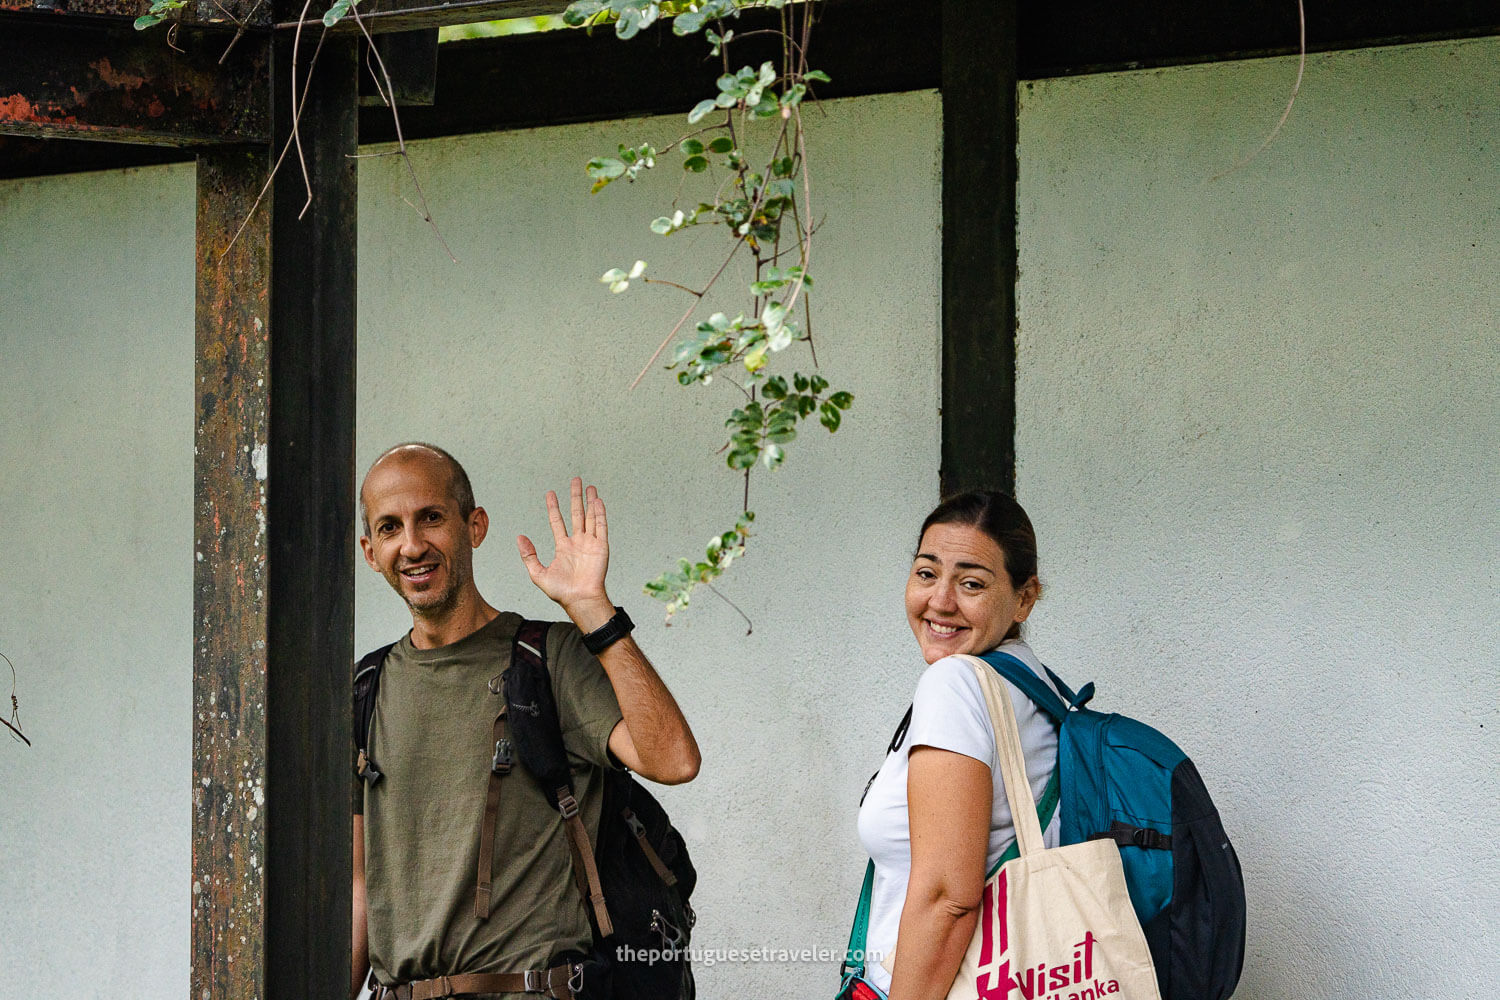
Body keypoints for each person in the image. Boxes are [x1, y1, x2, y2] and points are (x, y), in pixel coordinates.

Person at [351, 443, 701, 1000]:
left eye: (431, 518)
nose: (413, 544)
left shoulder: (545, 658)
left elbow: (674, 759)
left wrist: (591, 609)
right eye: (391, 527)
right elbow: (360, 884)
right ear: (372, 552)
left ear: (475, 526)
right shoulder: (367, 688)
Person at [855, 491, 1063, 1000]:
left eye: (971, 583)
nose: (941, 601)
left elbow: (949, 898)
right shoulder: (1037, 685)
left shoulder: (956, 685)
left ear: (1024, 597)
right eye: (927, 573)